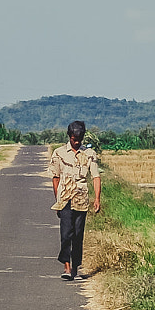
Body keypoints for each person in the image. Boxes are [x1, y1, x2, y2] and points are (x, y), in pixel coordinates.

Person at [48, 120, 101, 281]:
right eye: (73, 139)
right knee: (66, 234)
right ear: (69, 136)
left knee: (78, 235)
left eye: (79, 139)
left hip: (81, 199)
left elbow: (96, 177)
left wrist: (97, 198)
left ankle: (75, 266)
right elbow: (55, 178)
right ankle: (66, 265)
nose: (76, 142)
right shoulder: (59, 153)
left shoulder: (89, 154)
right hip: (64, 198)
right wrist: (57, 199)